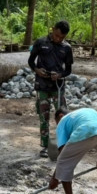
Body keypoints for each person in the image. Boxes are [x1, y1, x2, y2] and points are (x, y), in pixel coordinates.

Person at [28, 20, 73, 157]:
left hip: (58, 87)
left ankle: (64, 145)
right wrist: (37, 70)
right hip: (42, 86)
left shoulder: (67, 48)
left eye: (62, 37)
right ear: (53, 29)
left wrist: (60, 75)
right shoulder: (41, 43)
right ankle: (45, 146)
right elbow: (31, 61)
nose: (59, 39)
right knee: (44, 117)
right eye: (57, 35)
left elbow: (68, 70)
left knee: (63, 117)